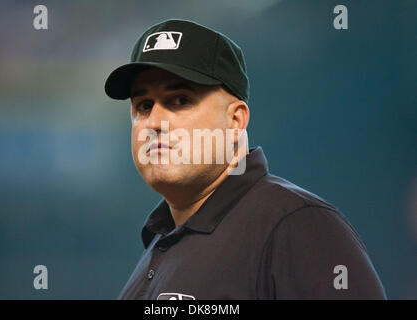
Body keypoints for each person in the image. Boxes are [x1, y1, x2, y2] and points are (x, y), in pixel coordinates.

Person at [104, 18, 386, 300]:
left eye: (180, 100)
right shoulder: (160, 241)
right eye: (143, 105)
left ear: (236, 120)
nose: (154, 121)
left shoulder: (298, 225)